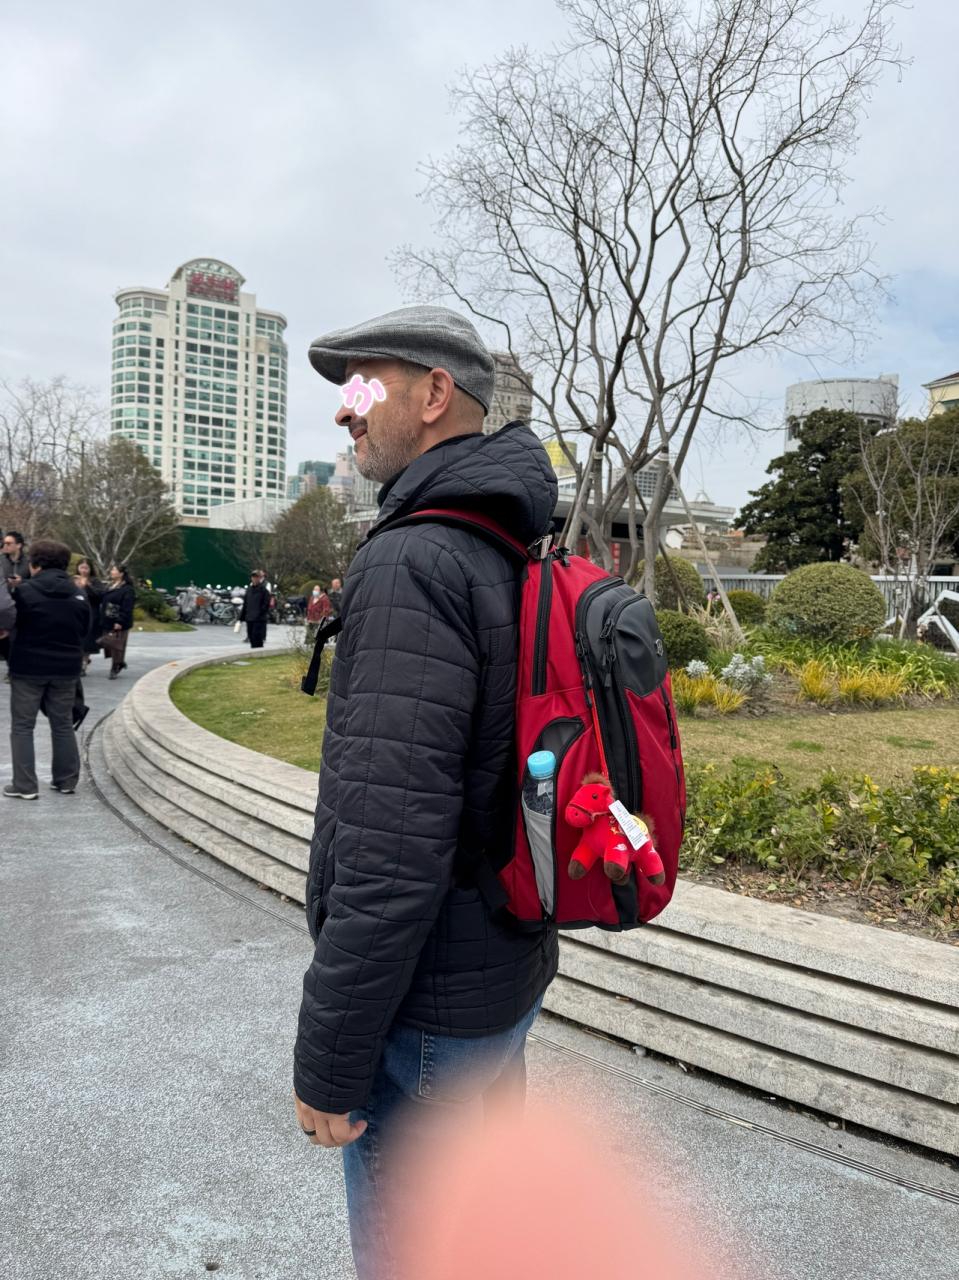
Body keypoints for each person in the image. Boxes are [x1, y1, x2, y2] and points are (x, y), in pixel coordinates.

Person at [292, 304, 559, 1280]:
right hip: (502, 982)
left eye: (364, 386)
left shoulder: (414, 558)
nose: (345, 412)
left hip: (430, 1016)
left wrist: (328, 1057)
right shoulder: (509, 542)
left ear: (436, 394)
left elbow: (388, 844)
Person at [5, 539, 89, 800]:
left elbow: (12, 623)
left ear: (35, 564)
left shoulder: (24, 592)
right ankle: (66, 780)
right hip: (66, 668)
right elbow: (85, 630)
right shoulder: (79, 594)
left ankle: (25, 785)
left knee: (23, 726)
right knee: (62, 724)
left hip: (28, 667)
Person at [98, 563, 135, 680]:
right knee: (108, 643)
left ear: (121, 573)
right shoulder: (110, 585)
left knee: (116, 645)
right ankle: (120, 662)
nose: (111, 572)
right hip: (107, 619)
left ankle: (116, 666)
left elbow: (127, 607)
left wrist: (120, 621)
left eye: (114, 570)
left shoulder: (127, 589)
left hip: (119, 622)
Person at [74, 558, 103, 674]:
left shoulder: (95, 581)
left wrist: (87, 586)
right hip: (76, 613)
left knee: (87, 641)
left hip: (91, 613)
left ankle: (84, 663)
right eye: (81, 567)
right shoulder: (73, 579)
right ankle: (78, 661)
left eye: (86, 568)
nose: (84, 570)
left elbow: (99, 595)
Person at [240, 568, 270, 649]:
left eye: (257, 577)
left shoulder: (264, 590)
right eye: (253, 577)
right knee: (251, 636)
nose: (254, 579)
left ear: (260, 578)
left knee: (257, 637)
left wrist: (260, 614)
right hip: (249, 617)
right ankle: (254, 649)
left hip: (259, 619)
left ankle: (258, 649)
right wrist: (241, 617)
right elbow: (245, 604)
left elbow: (266, 605)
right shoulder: (249, 590)